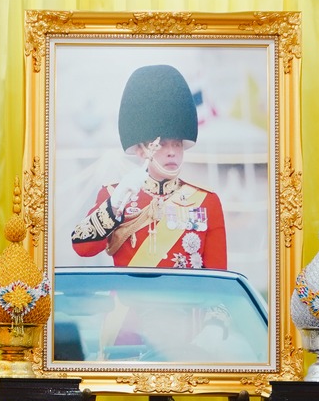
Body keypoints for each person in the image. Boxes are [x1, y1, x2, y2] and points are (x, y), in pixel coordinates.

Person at [67, 63, 228, 271]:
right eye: (161, 144)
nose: (171, 152)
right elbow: (82, 247)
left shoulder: (206, 202)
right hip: (130, 294)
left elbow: (217, 277)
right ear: (141, 151)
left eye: (177, 144)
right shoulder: (115, 196)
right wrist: (114, 205)